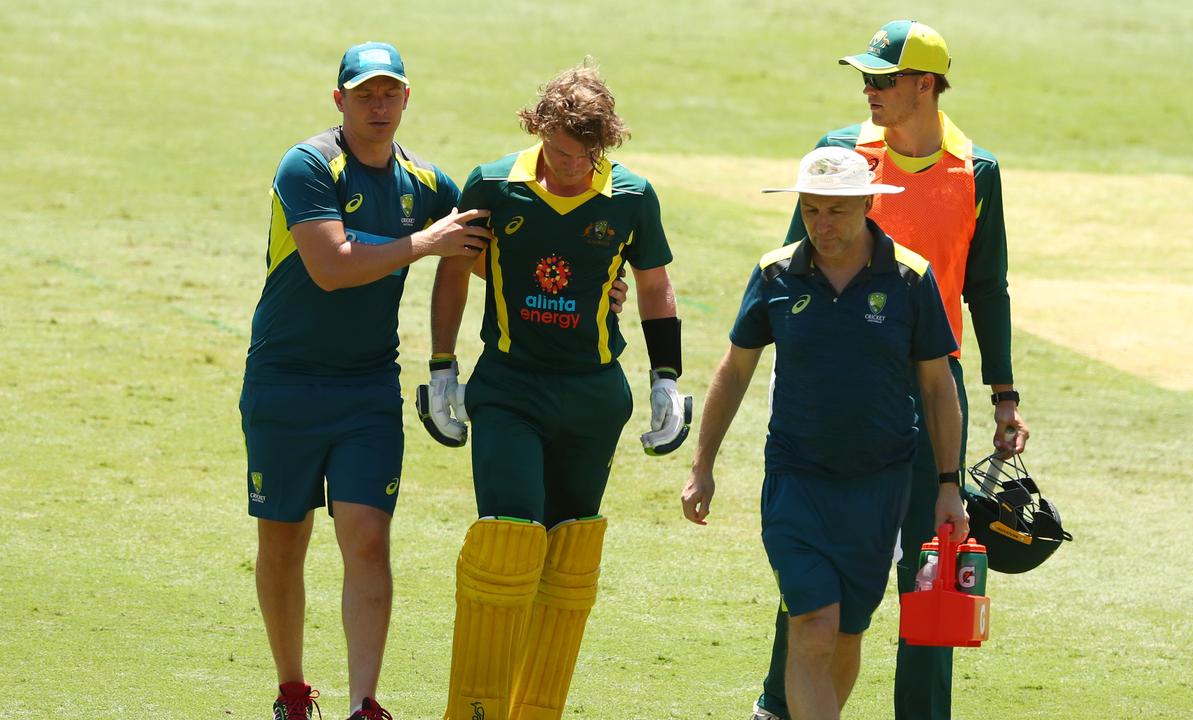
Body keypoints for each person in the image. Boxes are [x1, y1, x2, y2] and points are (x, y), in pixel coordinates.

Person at [749, 20, 1031, 720]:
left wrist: (1003, 394)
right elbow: (793, 266)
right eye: (865, 78)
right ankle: (777, 705)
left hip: (934, 385)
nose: (868, 89)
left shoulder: (978, 171)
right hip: (841, 383)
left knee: (933, 563)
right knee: (818, 553)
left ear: (926, 85)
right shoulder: (843, 154)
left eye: (883, 78)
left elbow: (986, 287)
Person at [426, 62, 693, 720]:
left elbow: (654, 287)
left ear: (604, 146)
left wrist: (667, 379)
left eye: (583, 157)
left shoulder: (631, 196)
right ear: (539, 130)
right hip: (510, 390)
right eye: (558, 152)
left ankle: (536, 711)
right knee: (508, 542)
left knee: (568, 562)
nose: (570, 168)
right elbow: (457, 274)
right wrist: (440, 367)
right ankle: (477, 710)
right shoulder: (492, 183)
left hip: (593, 398)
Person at [239, 41, 496, 720]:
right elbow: (331, 266)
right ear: (339, 101)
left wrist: (597, 290)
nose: (378, 108)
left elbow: (482, 257)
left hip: (367, 389)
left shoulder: (427, 183)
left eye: (390, 94)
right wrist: (426, 243)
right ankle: (292, 691)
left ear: (407, 98)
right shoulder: (309, 166)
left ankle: (364, 704)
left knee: (369, 537)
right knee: (284, 537)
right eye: (364, 95)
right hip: (285, 383)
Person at [681, 146, 969, 720]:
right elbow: (735, 369)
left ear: (868, 203)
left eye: (836, 211)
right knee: (813, 622)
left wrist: (947, 483)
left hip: (880, 484)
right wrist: (702, 466)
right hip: (797, 479)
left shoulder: (911, 279)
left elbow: (939, 388)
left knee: (848, 632)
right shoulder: (774, 274)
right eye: (811, 211)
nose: (822, 225)